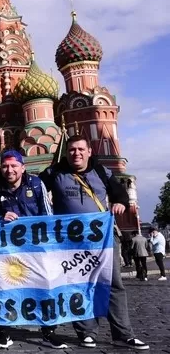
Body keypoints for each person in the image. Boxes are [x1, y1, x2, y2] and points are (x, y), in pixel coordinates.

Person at [39, 134, 149, 350]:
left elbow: (119, 192)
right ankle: (86, 332)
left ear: (89, 151)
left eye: (81, 149)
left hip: (103, 241)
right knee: (79, 285)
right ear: (66, 153)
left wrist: (120, 202)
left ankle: (123, 334)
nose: (76, 153)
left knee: (113, 285)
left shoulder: (101, 171)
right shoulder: (55, 172)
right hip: (71, 243)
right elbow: (32, 192)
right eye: (72, 150)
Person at [0, 150, 67, 349]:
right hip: (7, 251)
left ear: (23, 167)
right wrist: (0, 218)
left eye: (14, 166)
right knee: (3, 289)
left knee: (43, 288)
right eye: (5, 166)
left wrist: (50, 246)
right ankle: (3, 333)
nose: (9, 170)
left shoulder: (36, 184)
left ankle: (49, 331)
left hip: (35, 249)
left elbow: (47, 216)